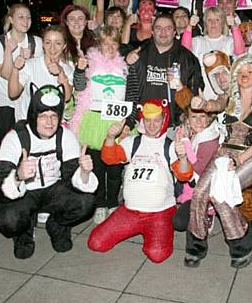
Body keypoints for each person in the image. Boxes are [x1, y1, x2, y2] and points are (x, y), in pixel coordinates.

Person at [185, 54, 252, 268]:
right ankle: (196, 245)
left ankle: (242, 243)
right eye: (240, 72)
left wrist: (239, 159)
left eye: (249, 72)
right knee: (200, 193)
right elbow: (215, 104)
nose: (244, 76)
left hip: (251, 157)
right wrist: (203, 103)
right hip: (224, 155)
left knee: (220, 195)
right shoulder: (229, 99)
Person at [0, 84, 96, 259]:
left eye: (54, 116)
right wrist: (18, 177)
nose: (49, 122)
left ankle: (57, 225)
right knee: (8, 220)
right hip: (25, 194)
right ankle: (24, 233)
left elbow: (72, 176)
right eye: (43, 116)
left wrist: (85, 172)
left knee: (86, 202)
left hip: (53, 190)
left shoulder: (65, 135)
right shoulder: (15, 138)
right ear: (33, 116)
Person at [88, 99, 193, 263]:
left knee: (157, 255)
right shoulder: (133, 142)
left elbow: (184, 175)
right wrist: (110, 137)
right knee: (96, 243)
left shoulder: (171, 146)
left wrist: (183, 157)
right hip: (129, 211)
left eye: (156, 120)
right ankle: (138, 228)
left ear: (164, 120)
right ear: (142, 120)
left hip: (160, 212)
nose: (152, 125)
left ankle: (154, 231)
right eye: (148, 120)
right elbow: (109, 158)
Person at [69, 26, 131, 224]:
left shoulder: (125, 66)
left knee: (114, 167)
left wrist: (127, 123)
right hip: (94, 120)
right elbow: (79, 86)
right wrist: (79, 69)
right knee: (96, 165)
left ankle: (112, 201)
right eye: (106, 44)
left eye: (114, 44)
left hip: (116, 121)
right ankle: (99, 203)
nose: (110, 48)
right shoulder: (90, 64)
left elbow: (131, 93)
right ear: (99, 45)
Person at [124, 14, 204, 132]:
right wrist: (126, 62)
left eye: (168, 28)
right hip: (139, 123)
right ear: (152, 31)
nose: (163, 32)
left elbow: (195, 100)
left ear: (175, 32)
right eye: (158, 28)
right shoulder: (138, 51)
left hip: (173, 125)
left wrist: (181, 88)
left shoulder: (188, 58)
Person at [0, 3, 43, 141]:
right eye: (21, 17)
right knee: (8, 144)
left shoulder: (36, 42)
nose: (26, 21)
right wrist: (8, 51)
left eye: (28, 17)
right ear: (11, 19)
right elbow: (7, 75)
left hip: (27, 103)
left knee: (28, 143)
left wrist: (29, 60)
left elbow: (37, 74)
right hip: (4, 103)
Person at [8, 25, 74, 123]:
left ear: (64, 46)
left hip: (53, 125)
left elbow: (67, 97)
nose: (52, 48)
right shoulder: (30, 65)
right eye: (48, 42)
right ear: (43, 44)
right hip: (28, 123)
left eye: (58, 43)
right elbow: (13, 93)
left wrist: (60, 73)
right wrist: (15, 69)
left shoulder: (67, 69)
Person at [172, 105, 221, 232]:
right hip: (189, 185)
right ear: (187, 119)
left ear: (209, 119)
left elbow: (198, 168)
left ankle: (208, 210)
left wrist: (185, 143)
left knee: (179, 222)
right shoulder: (193, 134)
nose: (198, 121)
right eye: (194, 117)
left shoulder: (209, 139)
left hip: (204, 188)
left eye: (202, 116)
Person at [181, 6, 245, 99]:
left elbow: (240, 52)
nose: (213, 23)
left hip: (225, 97)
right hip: (202, 96)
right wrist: (189, 26)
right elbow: (184, 52)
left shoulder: (229, 41)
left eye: (217, 19)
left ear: (223, 23)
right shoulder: (198, 41)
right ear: (205, 23)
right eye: (209, 20)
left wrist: (234, 26)